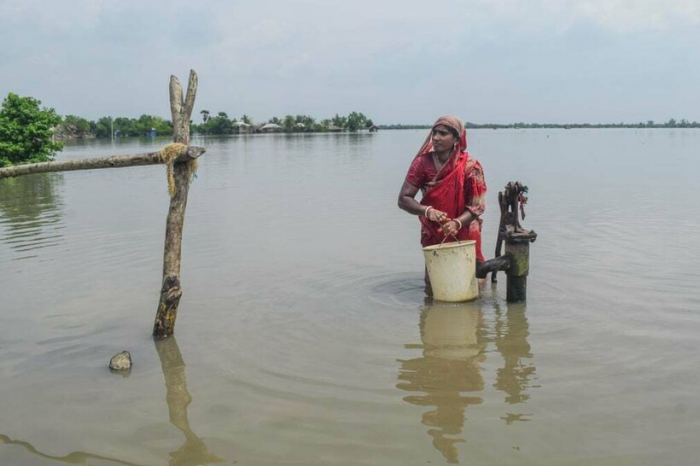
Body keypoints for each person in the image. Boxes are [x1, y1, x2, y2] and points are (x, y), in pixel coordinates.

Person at [397, 115, 487, 293]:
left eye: (443, 133)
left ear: (456, 138)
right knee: (435, 284)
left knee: (472, 282)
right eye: (434, 132)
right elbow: (404, 199)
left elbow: (477, 206)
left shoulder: (470, 167)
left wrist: (457, 223)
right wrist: (427, 211)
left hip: (466, 230)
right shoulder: (422, 164)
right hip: (434, 230)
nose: (436, 137)